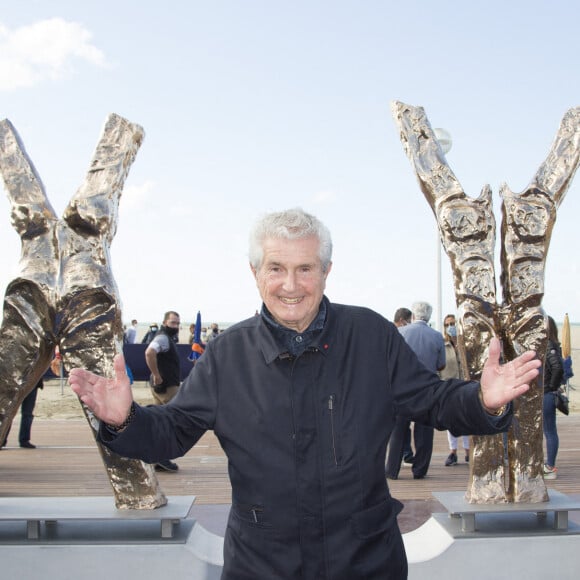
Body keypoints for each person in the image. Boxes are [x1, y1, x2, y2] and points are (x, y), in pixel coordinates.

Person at [70, 208, 540, 580]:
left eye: (305, 268)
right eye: (276, 267)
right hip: (262, 564)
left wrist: (482, 400)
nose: (290, 285)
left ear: (327, 270)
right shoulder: (227, 354)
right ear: (255, 271)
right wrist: (124, 421)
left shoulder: (371, 336)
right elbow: (171, 434)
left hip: (367, 561)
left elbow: (435, 401)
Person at [386, 301, 446, 480]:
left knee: (398, 430)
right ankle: (419, 470)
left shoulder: (400, 332)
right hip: (427, 388)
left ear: (413, 316)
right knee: (425, 431)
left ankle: (392, 470)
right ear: (429, 316)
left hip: (402, 388)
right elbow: (441, 364)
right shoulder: (436, 336)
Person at [145, 311, 181, 472]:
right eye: (173, 323)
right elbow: (149, 352)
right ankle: (161, 457)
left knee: (161, 420)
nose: (176, 326)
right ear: (165, 322)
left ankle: (158, 456)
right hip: (167, 387)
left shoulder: (167, 338)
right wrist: (157, 375)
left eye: (178, 323)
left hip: (163, 385)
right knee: (170, 421)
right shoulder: (163, 338)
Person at [440, 313, 470, 466]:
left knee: (466, 418)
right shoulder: (442, 345)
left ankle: (467, 450)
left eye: (452, 323)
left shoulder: (465, 343)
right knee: (451, 420)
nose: (450, 327)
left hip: (465, 386)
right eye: (447, 324)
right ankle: (453, 451)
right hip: (449, 386)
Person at [543, 315, 564, 480]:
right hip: (546, 393)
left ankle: (550, 466)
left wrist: (551, 387)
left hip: (546, 394)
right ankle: (548, 464)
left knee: (549, 431)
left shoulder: (549, 345)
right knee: (548, 430)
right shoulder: (553, 345)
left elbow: (557, 368)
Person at [392, 307, 414, 465]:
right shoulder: (394, 334)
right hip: (395, 388)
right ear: (402, 321)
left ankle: (405, 453)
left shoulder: (391, 332)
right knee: (399, 426)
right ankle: (403, 454)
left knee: (400, 425)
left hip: (394, 387)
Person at [1, 379, 43, 449]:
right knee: (9, 413)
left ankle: (24, 440)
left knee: (27, 414)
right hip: (14, 385)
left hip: (32, 385)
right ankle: (2, 439)